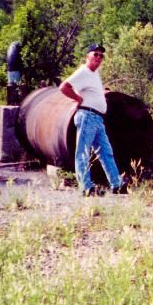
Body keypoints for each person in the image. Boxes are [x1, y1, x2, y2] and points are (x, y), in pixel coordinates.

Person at [59, 44, 127, 196]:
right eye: (95, 54)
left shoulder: (94, 74)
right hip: (87, 116)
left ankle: (117, 185)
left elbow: (90, 91)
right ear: (87, 56)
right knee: (83, 152)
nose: (98, 57)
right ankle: (86, 187)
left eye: (101, 55)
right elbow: (64, 87)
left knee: (106, 152)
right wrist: (78, 99)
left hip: (97, 119)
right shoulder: (83, 72)